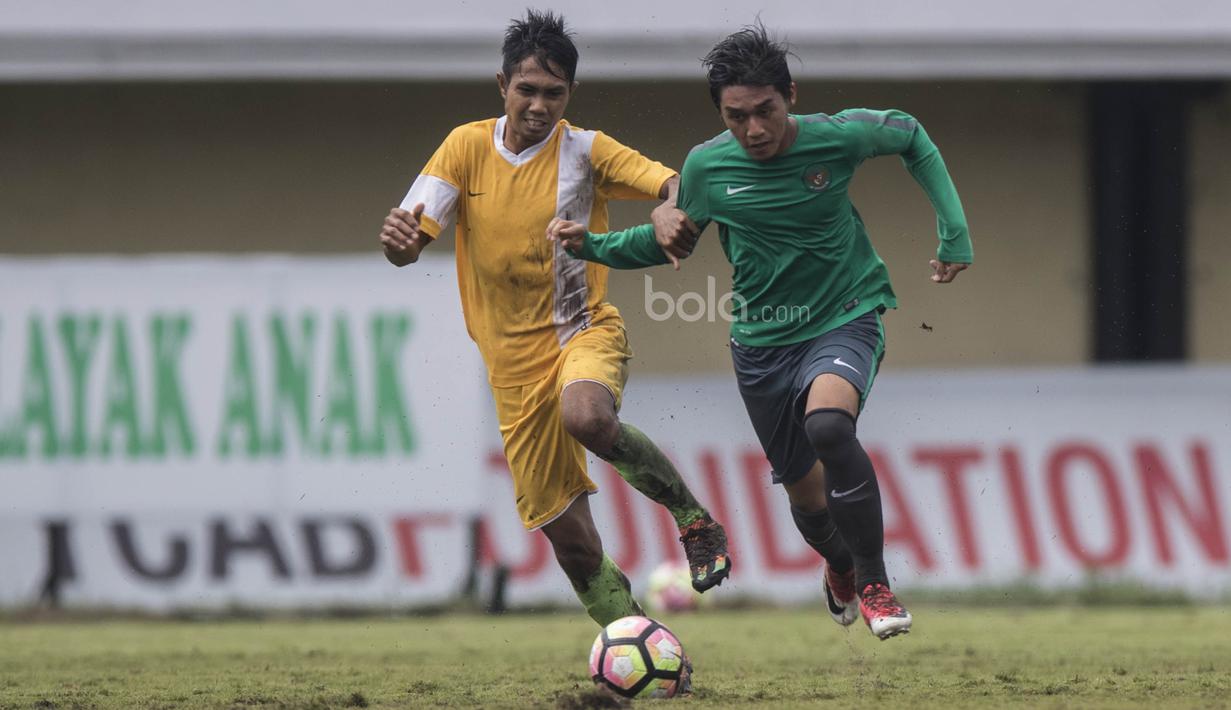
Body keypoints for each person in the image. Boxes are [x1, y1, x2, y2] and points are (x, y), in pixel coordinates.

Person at [548, 23, 973, 640]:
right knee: (807, 499)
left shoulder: (838, 136)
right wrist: (595, 246)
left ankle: (877, 583)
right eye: (737, 116)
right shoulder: (707, 165)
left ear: (790, 96)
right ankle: (840, 566)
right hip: (762, 344)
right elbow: (669, 241)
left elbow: (912, 135)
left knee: (829, 423)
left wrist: (954, 231)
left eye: (765, 111)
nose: (754, 129)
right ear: (721, 114)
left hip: (845, 314)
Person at [378, 10, 730, 627]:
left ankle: (693, 518)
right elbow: (409, 239)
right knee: (572, 545)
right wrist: (398, 242)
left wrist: (672, 211)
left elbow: (673, 180)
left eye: (553, 93)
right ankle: (641, 644)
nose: (539, 105)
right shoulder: (464, 147)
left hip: (583, 331)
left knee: (586, 415)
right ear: (502, 86)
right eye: (527, 90)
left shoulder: (587, 152)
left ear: (570, 94)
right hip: (512, 375)